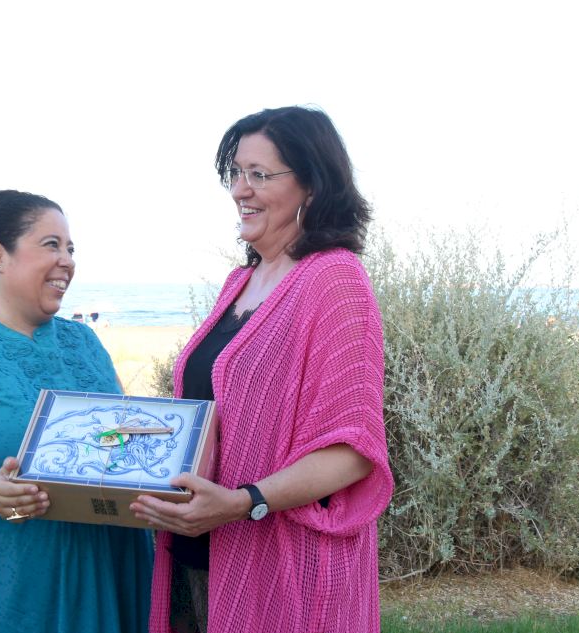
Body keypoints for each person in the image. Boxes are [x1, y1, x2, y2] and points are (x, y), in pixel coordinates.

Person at [130, 107, 393, 632]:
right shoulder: (240, 283)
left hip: (286, 568)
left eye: (259, 174)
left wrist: (242, 502)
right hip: (200, 554)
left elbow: (352, 452)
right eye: (235, 173)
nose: (239, 191)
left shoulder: (334, 280)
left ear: (312, 185)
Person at [0, 190, 152, 633]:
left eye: (71, 248)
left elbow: (117, 433)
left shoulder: (85, 342)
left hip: (111, 558)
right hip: (11, 573)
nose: (67, 261)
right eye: (51, 245)